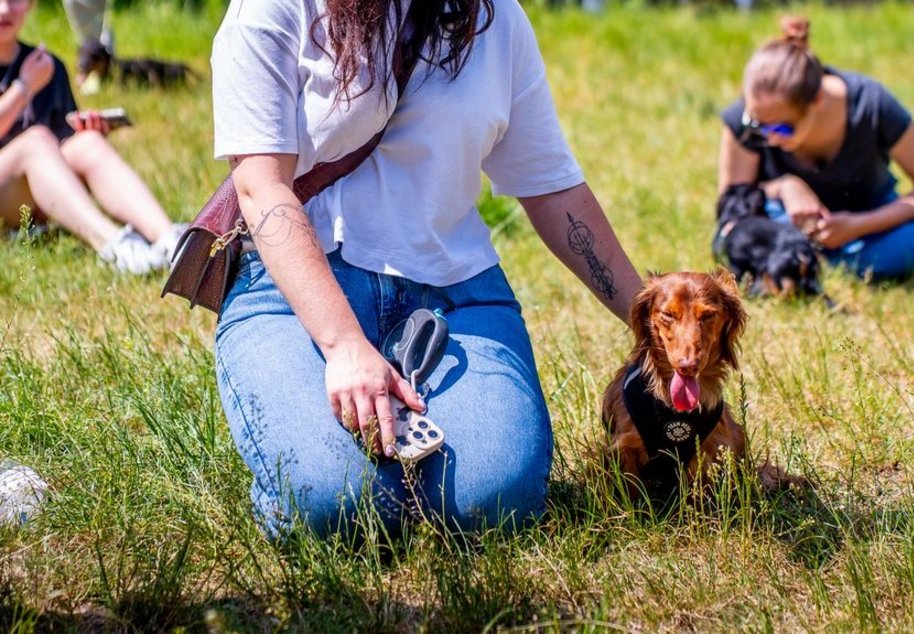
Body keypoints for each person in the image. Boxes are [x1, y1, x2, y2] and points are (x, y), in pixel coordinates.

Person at [212, 0, 643, 538]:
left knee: (496, 503)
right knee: (343, 509)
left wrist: (650, 320)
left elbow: (552, 186)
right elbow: (261, 188)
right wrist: (345, 345)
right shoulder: (274, 9)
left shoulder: (496, 18)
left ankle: (400, 461)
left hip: (454, 294)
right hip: (293, 295)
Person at [718, 16, 914, 281]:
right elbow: (732, 207)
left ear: (817, 100)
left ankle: (821, 266)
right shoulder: (744, 121)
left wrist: (857, 225)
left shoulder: (871, 104)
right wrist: (785, 187)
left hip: (873, 227)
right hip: (785, 230)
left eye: (782, 129)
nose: (768, 137)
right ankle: (858, 266)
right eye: (757, 124)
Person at [0, 0, 183, 273]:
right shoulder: (35, 72)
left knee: (86, 144)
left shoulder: (47, 66)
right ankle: (114, 245)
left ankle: (170, 240)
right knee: (35, 141)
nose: (4, 9)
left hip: (35, 198)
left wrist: (89, 132)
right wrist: (24, 87)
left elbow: (63, 145)